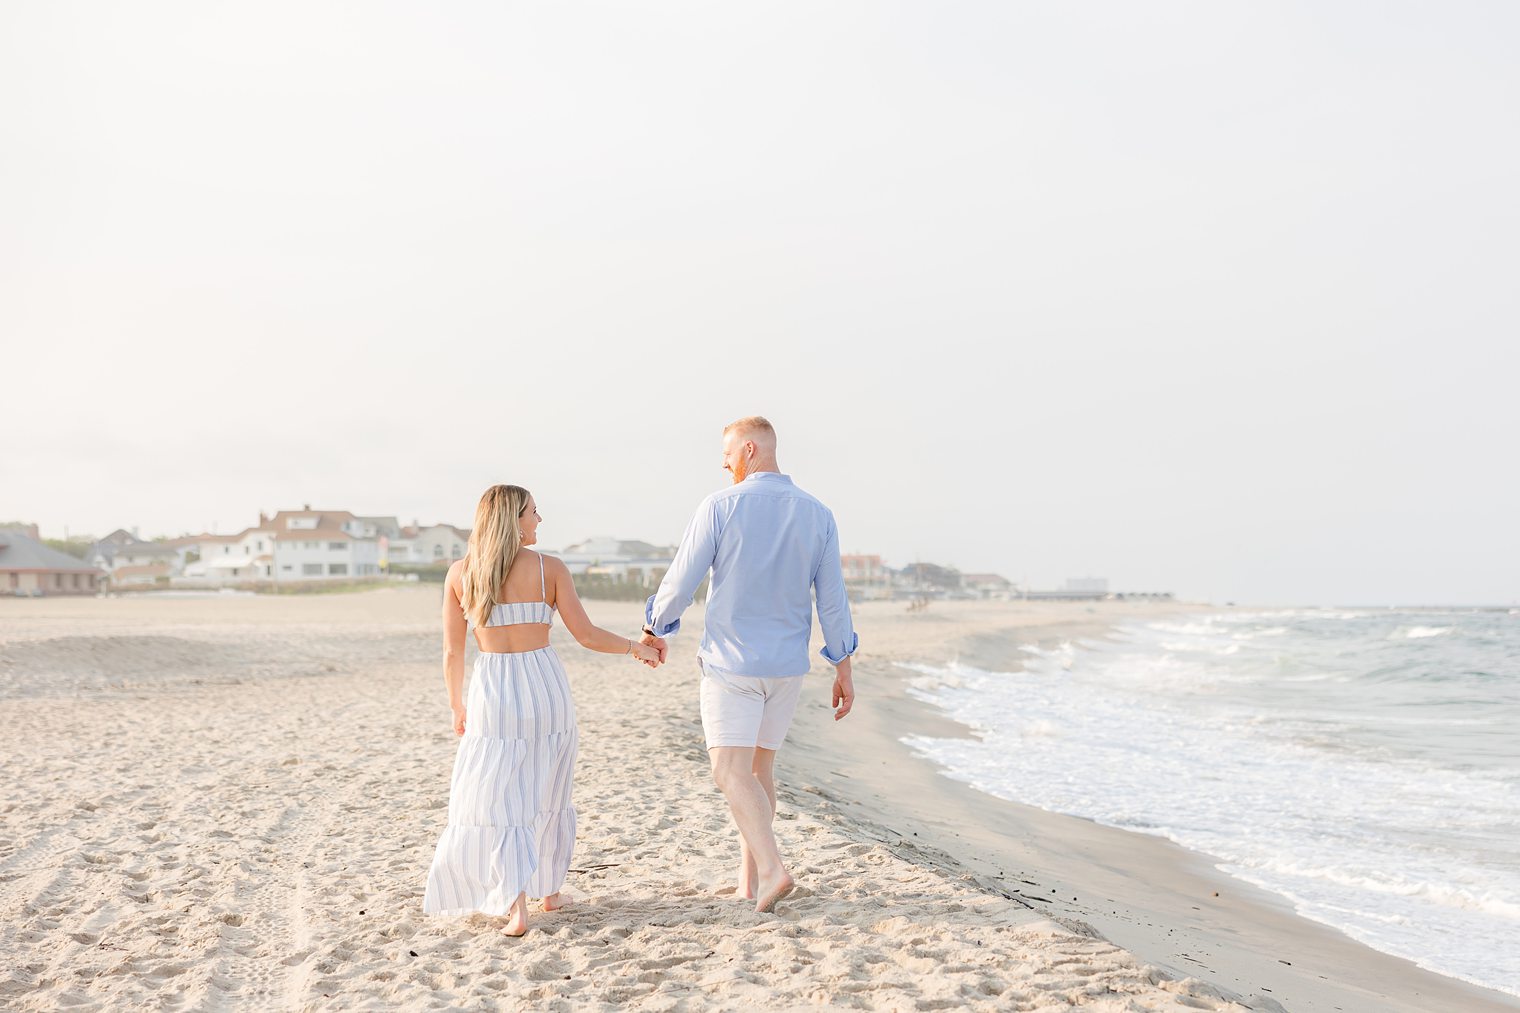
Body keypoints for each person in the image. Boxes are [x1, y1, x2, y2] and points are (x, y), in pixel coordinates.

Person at [640, 416, 857, 914]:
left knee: (727, 770)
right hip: (786, 667)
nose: (725, 465)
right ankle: (749, 882)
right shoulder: (818, 514)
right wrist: (843, 664)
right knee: (759, 770)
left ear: (751, 449)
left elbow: (681, 580)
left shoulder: (720, 506)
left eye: (729, 456)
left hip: (731, 663)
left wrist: (655, 627)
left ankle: (773, 869)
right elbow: (833, 599)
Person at [423, 484, 661, 936]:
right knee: (551, 791)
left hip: (494, 690)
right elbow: (587, 635)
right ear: (514, 519)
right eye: (534, 512)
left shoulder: (461, 573)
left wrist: (457, 703)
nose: (539, 520)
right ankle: (549, 891)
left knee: (499, 797)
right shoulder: (548, 567)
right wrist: (637, 649)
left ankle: (518, 907)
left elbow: (453, 653)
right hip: (545, 687)